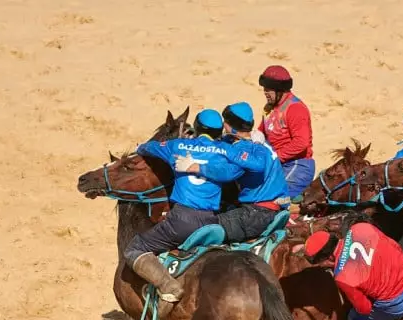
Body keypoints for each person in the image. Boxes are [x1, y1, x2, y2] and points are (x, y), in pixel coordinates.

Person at [124, 109, 227, 305]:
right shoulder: (225, 152)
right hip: (212, 221)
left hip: (183, 220)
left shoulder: (178, 145)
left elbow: (146, 148)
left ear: (196, 128)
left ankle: (168, 286)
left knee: (134, 249)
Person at [176, 102, 290, 243]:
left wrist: (197, 166)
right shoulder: (259, 142)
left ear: (230, 126)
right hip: (274, 209)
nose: (223, 126)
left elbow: (224, 172)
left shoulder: (241, 150)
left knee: (195, 228)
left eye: (225, 122)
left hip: (256, 214)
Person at [257, 66, 315, 201]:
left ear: (280, 90)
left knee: (275, 200)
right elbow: (262, 133)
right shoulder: (269, 108)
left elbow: (301, 142)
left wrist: (276, 156)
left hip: (297, 165)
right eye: (264, 88)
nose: (265, 92)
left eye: (269, 89)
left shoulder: (295, 109)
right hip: (277, 164)